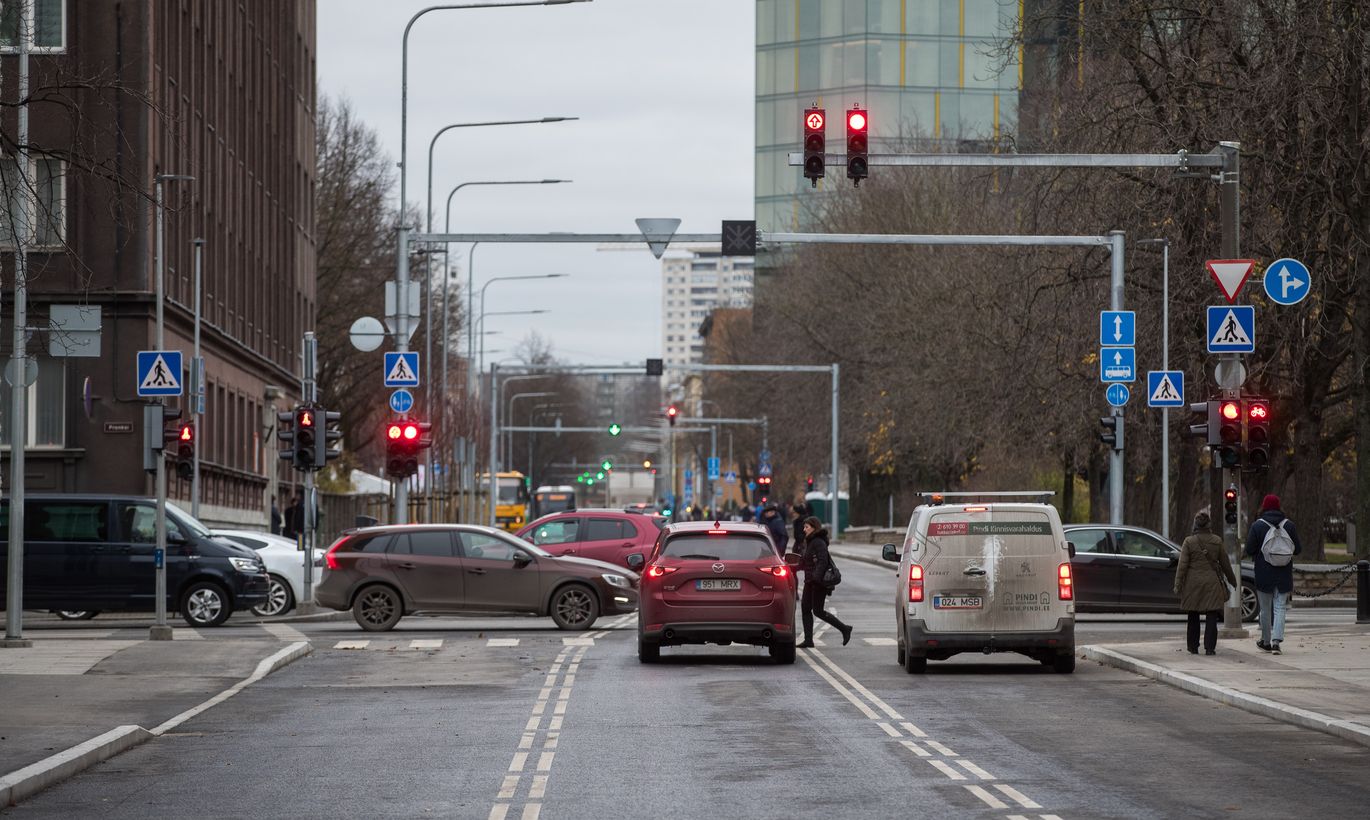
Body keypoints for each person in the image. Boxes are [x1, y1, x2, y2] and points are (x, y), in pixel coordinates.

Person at [1244, 494, 1302, 654]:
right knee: (1280, 607)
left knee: (1265, 609)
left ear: (1264, 506)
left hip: (1263, 572)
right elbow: (1297, 549)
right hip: (1283, 573)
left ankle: (1266, 641)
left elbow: (1249, 549)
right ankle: (1277, 641)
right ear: (1279, 506)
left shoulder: (1257, 526)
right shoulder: (1289, 525)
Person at [1174, 511, 1236, 655]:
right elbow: (1225, 564)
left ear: (1195, 525)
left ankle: (1193, 646)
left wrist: (1178, 584)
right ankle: (1210, 648)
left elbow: (1182, 565)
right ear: (1209, 525)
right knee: (1212, 615)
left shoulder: (1189, 542)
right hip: (1212, 583)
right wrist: (1233, 581)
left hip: (1192, 583)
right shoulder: (1217, 541)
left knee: (1193, 614)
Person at [797, 516, 851, 648]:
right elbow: (806, 562)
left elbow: (823, 561)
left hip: (817, 582)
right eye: (804, 527)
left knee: (818, 611)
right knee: (805, 608)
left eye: (807, 527)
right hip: (810, 581)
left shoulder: (818, 542)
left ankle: (844, 629)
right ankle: (808, 640)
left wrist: (816, 578)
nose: (804, 529)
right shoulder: (809, 541)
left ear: (814, 527)